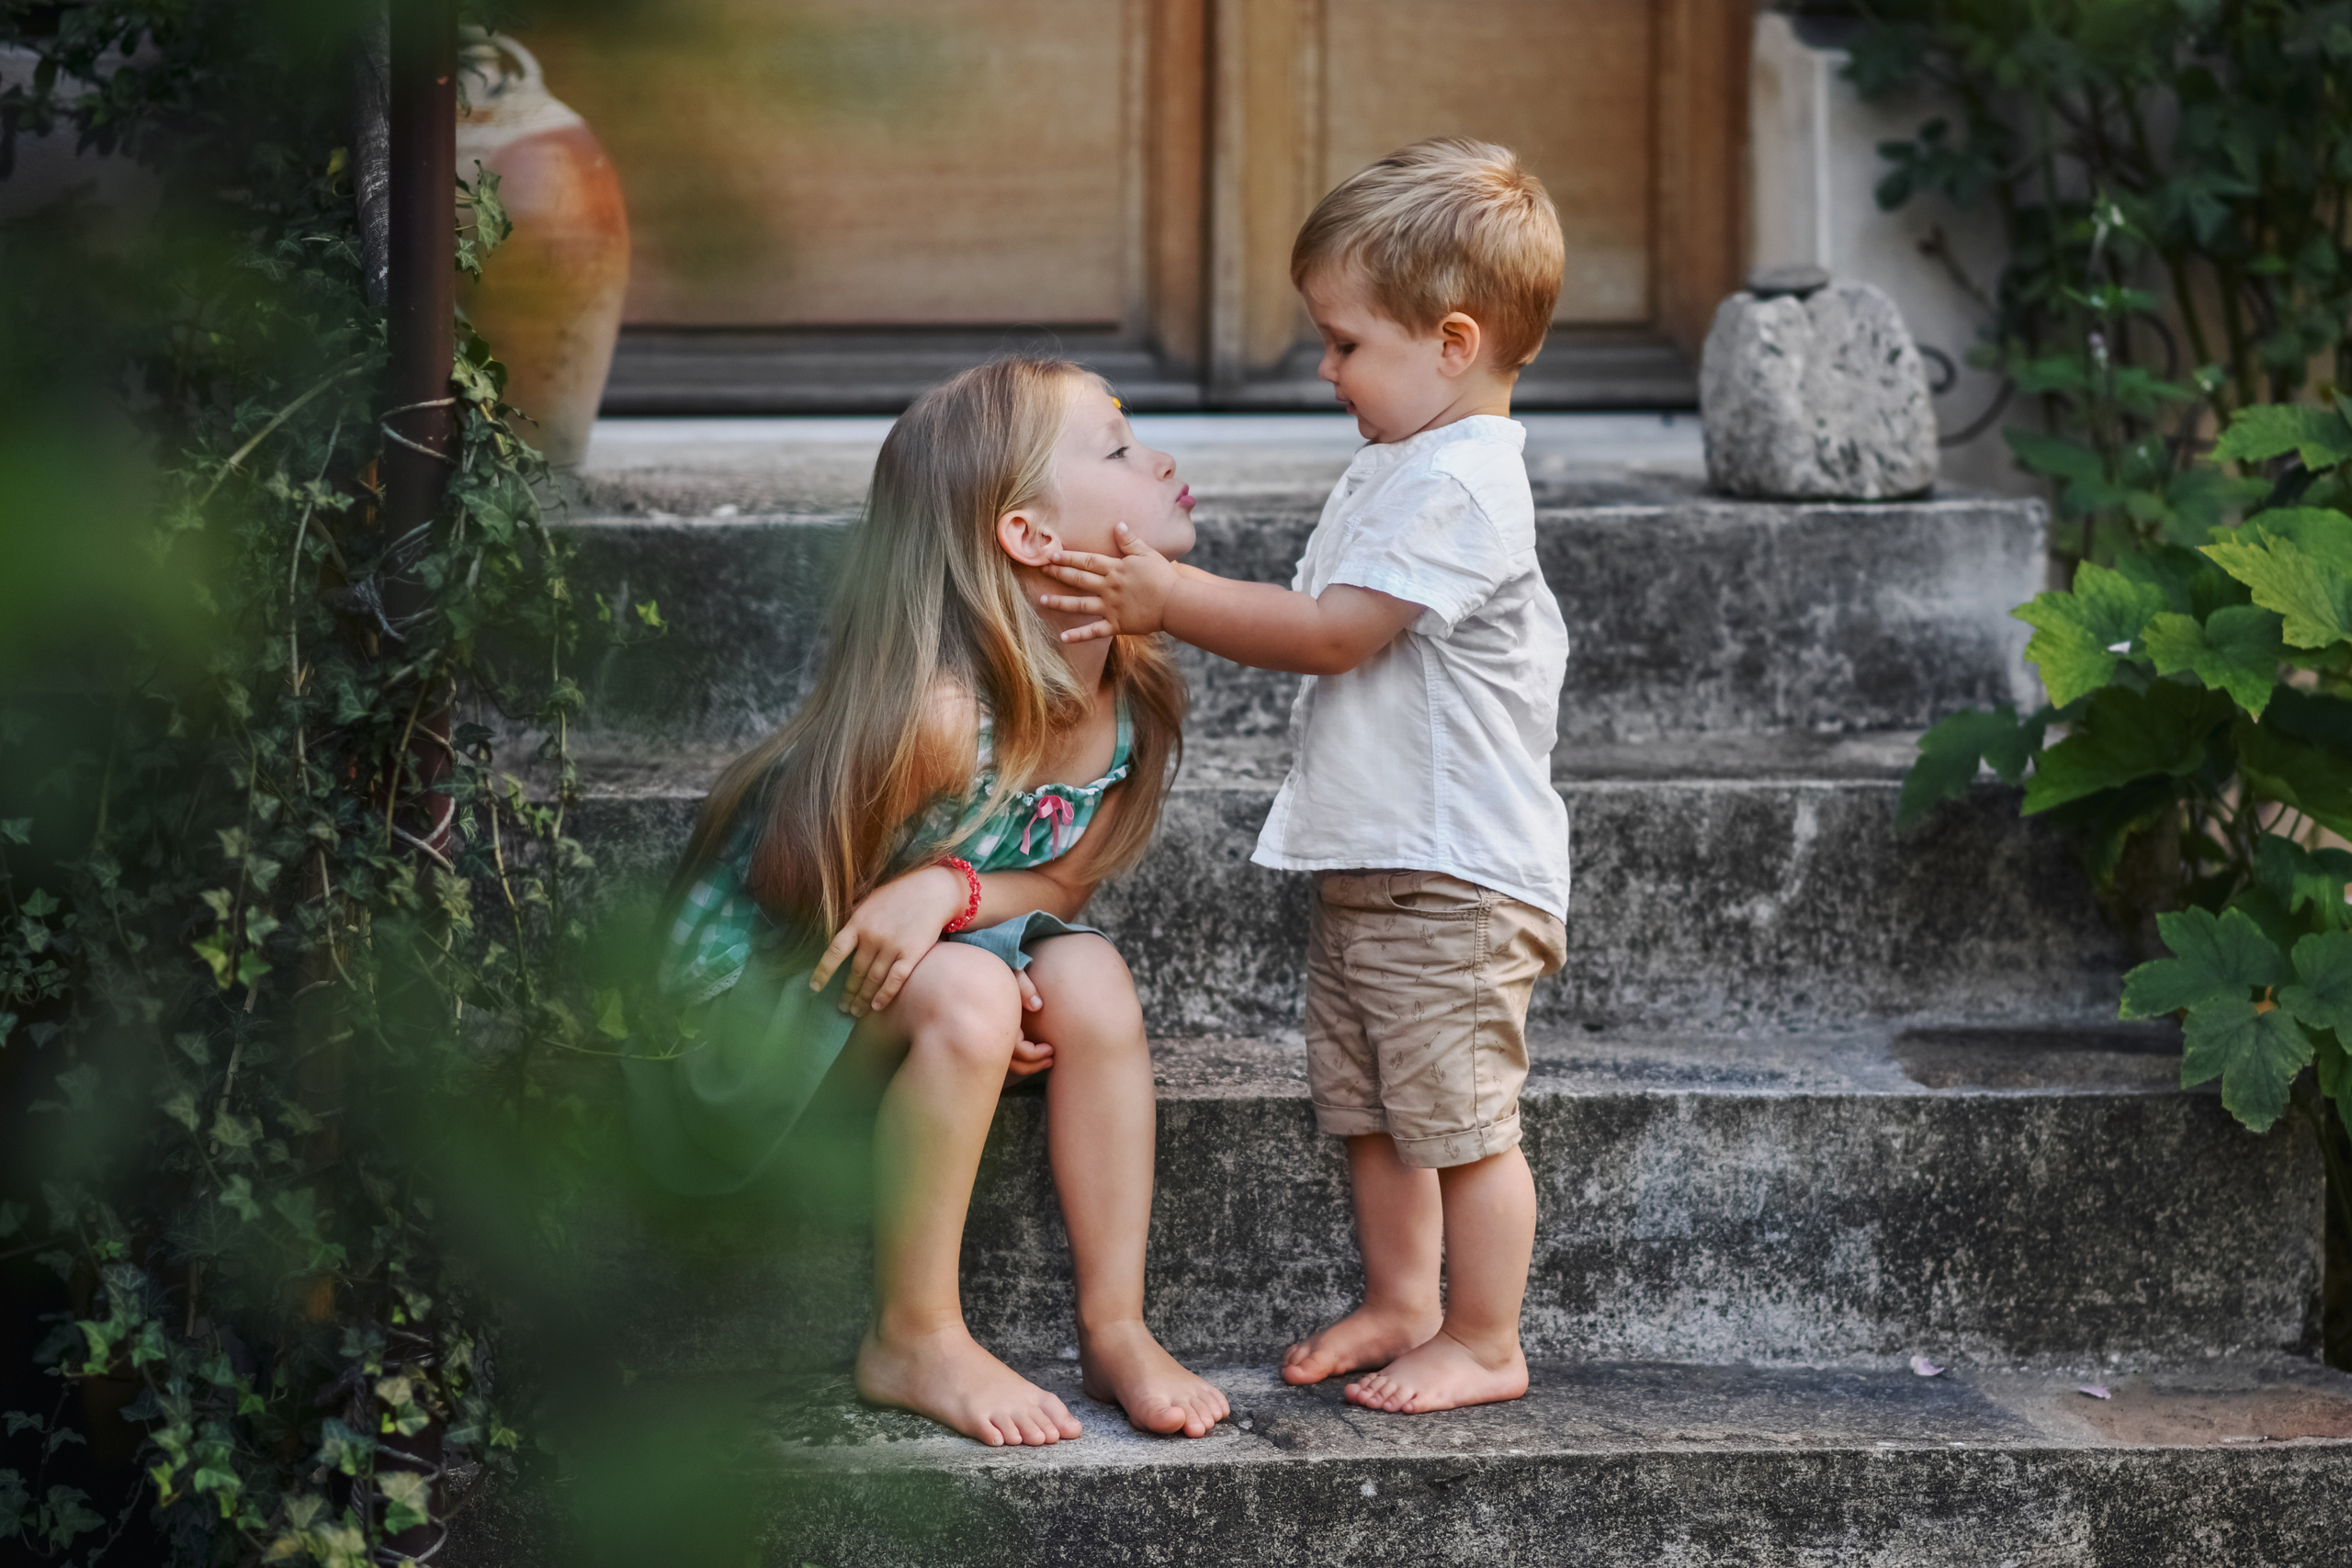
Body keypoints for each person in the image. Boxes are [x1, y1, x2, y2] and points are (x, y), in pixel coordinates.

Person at [1041, 138, 1571, 1415]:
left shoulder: (1465, 482)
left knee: (1462, 1120)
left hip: (1454, 876)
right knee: (1374, 1110)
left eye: (1345, 344)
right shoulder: (1407, 456)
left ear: (1452, 342)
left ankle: (1487, 1333)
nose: (1326, 370)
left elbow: (1333, 632)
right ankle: (1405, 1298)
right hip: (1378, 862)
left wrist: (1165, 598)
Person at [628, 356, 1228, 1447]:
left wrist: (948, 889)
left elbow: (1066, 883)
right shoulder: (940, 723)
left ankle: (1115, 1324)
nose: (1162, 459)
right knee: (970, 990)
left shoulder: (1124, 692)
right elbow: (790, 896)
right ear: (1028, 537)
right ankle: (913, 1333)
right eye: (1119, 448)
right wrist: (972, 970)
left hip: (900, 979)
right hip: (741, 1028)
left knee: (1090, 975)